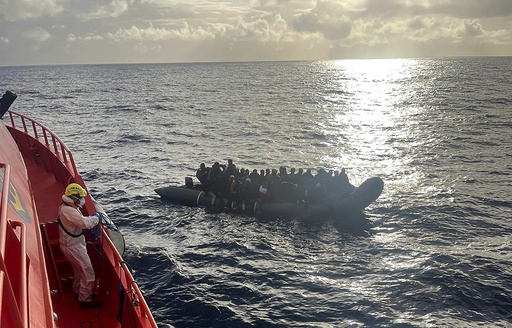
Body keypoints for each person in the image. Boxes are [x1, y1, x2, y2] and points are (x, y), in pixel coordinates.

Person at [58, 183, 103, 309]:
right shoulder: (69, 210)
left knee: (79, 271)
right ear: (74, 197)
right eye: (81, 197)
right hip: (73, 247)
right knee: (88, 272)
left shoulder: (67, 206)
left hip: (72, 244)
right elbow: (84, 223)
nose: (83, 200)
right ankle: (85, 300)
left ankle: (79, 292)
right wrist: (96, 218)